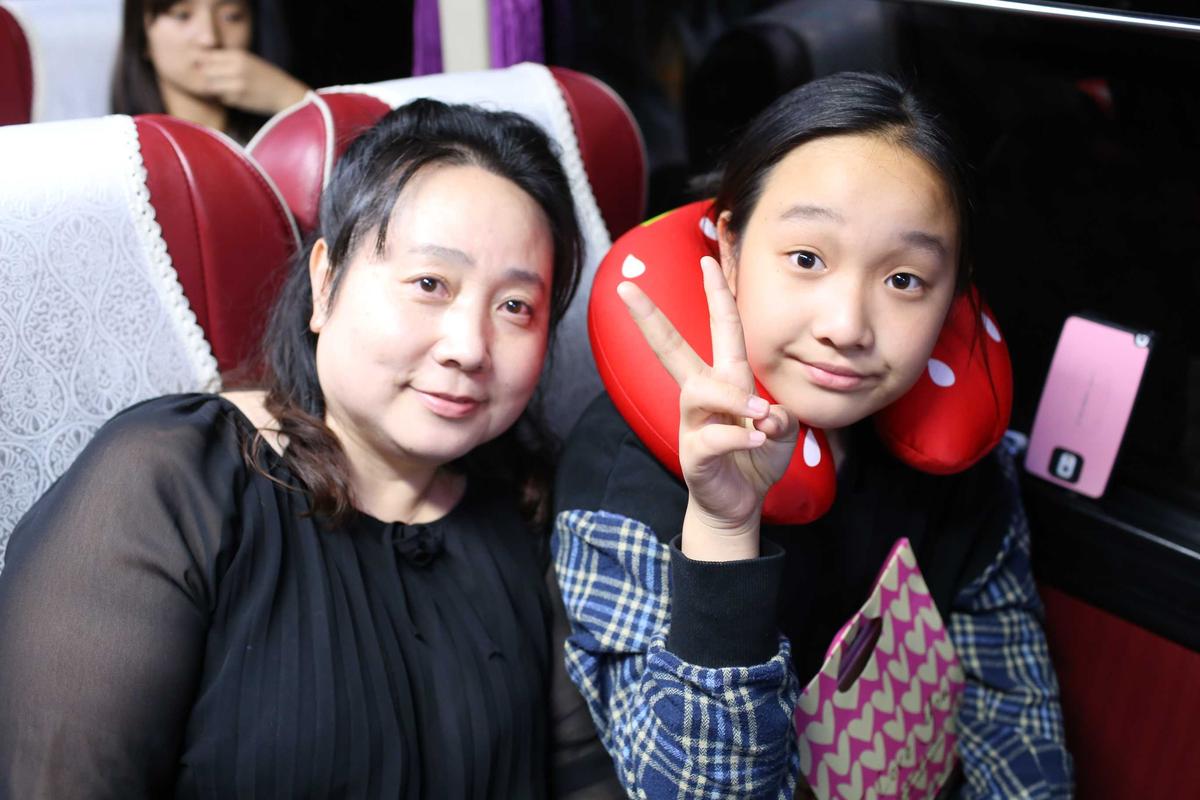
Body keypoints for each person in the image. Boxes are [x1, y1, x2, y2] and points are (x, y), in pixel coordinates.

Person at [0, 99, 625, 798]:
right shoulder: (172, 484)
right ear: (326, 285)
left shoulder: (532, 518)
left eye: (515, 307)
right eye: (430, 284)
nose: (469, 348)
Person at [553, 72, 1074, 798]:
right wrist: (724, 531)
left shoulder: (964, 464)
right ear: (729, 248)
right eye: (807, 259)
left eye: (904, 280)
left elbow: (1012, 716)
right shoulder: (620, 477)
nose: (847, 326)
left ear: (956, 292)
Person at [112, 0, 309, 143]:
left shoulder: (280, 147)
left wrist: (289, 98)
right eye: (182, 15)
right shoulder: (116, 154)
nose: (210, 38)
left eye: (231, 16)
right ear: (142, 35)